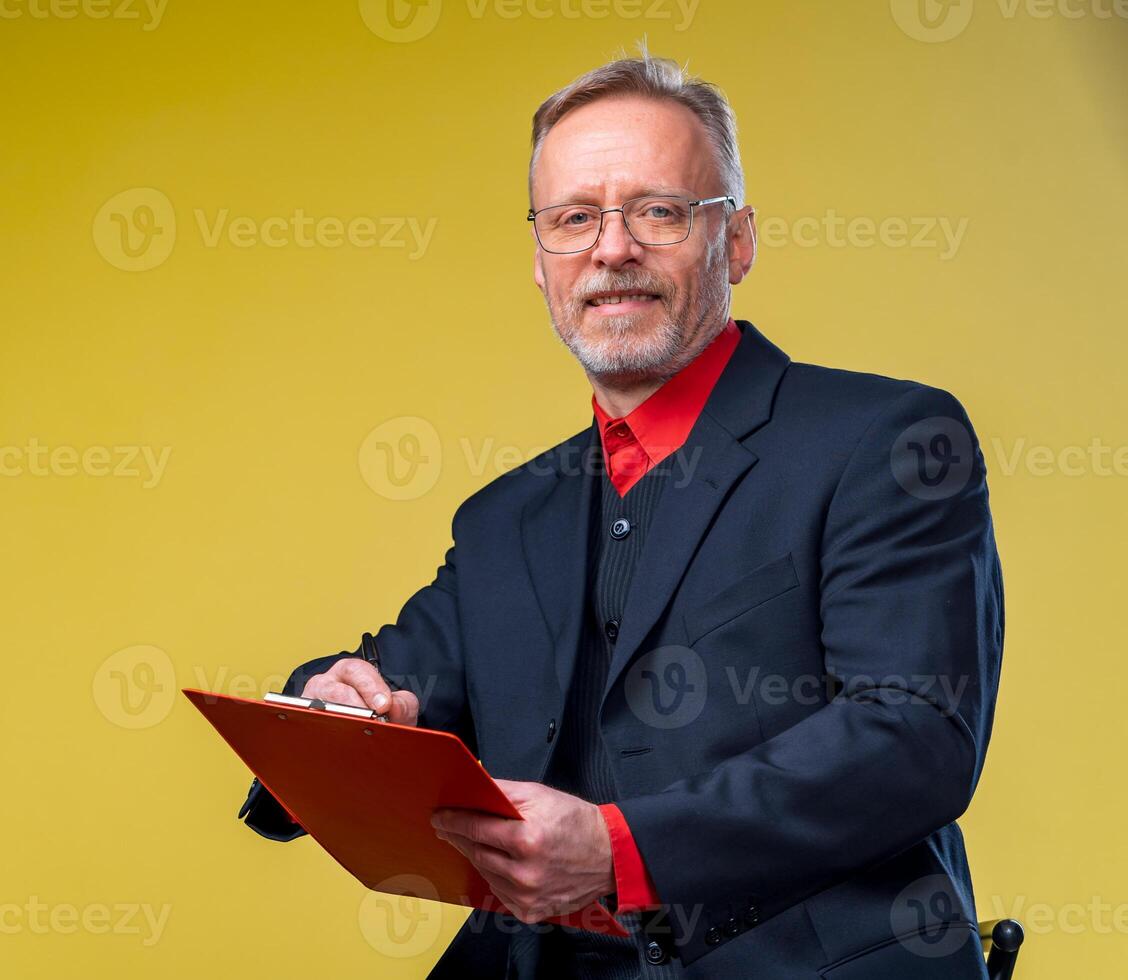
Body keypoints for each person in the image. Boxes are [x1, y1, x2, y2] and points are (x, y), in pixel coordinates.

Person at [238, 50, 1004, 980]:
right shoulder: (502, 518)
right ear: (540, 262)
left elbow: (916, 737)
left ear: (737, 241)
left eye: (658, 211)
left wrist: (618, 848)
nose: (611, 249)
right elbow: (386, 683)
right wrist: (330, 706)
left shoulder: (888, 440)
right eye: (574, 219)